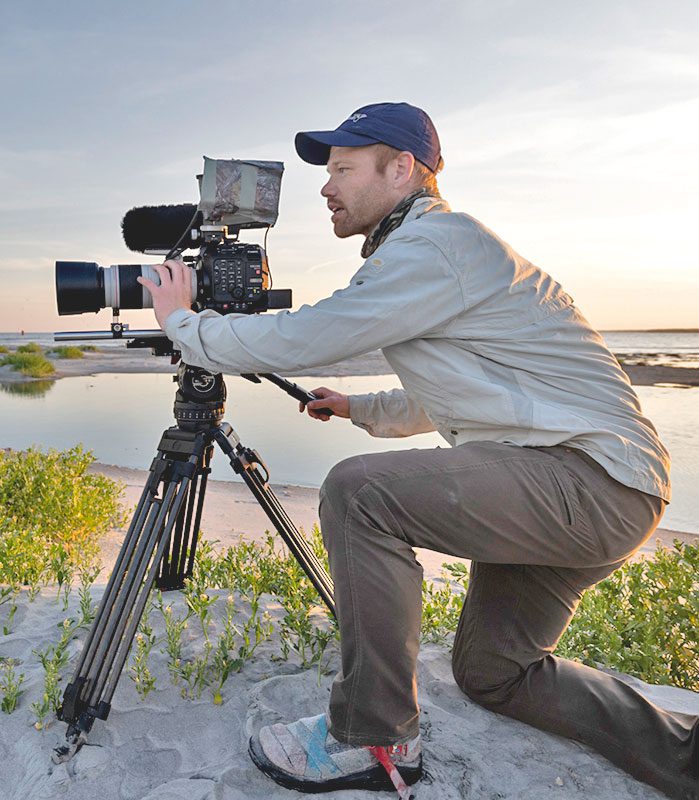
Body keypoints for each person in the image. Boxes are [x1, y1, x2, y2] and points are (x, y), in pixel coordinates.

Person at [138, 102, 697, 799]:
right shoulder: (438, 254)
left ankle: (371, 737)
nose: (325, 187)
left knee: (359, 493)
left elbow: (312, 332)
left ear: (401, 169)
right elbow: (464, 392)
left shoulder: (434, 244)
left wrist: (185, 324)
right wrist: (357, 408)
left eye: (342, 168)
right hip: (598, 483)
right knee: (497, 673)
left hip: (585, 480)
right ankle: (685, 758)